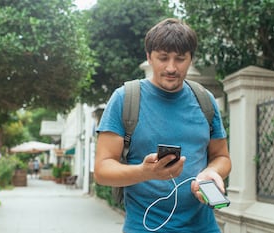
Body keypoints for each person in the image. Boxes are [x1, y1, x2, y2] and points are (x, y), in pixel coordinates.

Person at [94, 18, 231, 233]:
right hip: (143, 228)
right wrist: (145, 172)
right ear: (149, 57)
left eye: (180, 59)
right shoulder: (125, 99)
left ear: (191, 60)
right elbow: (102, 171)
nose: (171, 68)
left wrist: (210, 173)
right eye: (163, 58)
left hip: (204, 228)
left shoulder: (205, 100)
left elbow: (222, 157)